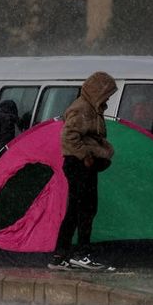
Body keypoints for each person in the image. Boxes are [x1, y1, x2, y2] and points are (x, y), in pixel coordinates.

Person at [49, 72, 117, 272]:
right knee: (85, 209)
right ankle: (81, 255)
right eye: (107, 94)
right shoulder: (82, 109)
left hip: (83, 164)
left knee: (76, 210)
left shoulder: (92, 108)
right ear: (98, 91)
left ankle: (60, 256)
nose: (108, 99)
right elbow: (69, 136)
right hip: (79, 165)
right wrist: (84, 156)